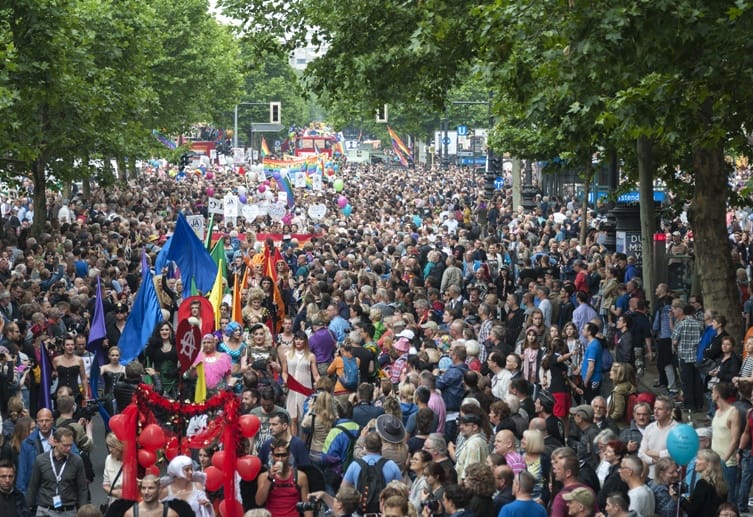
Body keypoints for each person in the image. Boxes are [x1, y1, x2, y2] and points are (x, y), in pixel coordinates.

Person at [26, 428, 87, 515]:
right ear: (55, 442)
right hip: (45, 510)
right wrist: (28, 508)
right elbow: (33, 486)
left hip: (68, 511)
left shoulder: (77, 461)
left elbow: (82, 488)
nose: (69, 448)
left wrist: (83, 512)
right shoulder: (41, 460)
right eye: (65, 445)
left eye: (70, 445)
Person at [255, 439, 313, 517]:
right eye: (277, 455)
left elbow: (306, 506)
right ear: (272, 456)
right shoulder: (264, 476)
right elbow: (259, 502)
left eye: (283, 455)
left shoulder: (300, 476)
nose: (280, 459)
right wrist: (269, 478)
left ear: (289, 455)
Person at [282, 331, 319, 438]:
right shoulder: (287, 355)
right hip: (292, 389)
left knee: (304, 418)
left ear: (305, 341)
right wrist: (285, 380)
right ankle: (294, 443)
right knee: (292, 418)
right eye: (296, 339)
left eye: (301, 339)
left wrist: (320, 384)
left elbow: (315, 374)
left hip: (305, 389)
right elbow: (284, 372)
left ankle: (303, 444)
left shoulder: (311, 356)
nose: (298, 341)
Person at [710, 381, 740, 503]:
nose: (711, 394)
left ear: (717, 394)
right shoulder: (716, 412)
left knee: (729, 499)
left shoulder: (733, 412)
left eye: (712, 392)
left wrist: (724, 460)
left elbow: (735, 439)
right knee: (715, 499)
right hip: (714, 462)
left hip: (727, 463)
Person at [675, 449, 727, 517]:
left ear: (709, 464)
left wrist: (678, 498)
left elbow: (692, 510)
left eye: (699, 459)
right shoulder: (722, 484)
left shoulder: (703, 484)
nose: (695, 461)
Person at [638, 395, 677, 479]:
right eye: (655, 408)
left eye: (659, 409)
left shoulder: (677, 430)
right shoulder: (649, 428)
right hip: (649, 476)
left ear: (668, 411)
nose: (655, 411)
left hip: (668, 478)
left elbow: (674, 453)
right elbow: (641, 453)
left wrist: (656, 454)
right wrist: (653, 460)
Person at [16, 408, 54, 492]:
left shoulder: (61, 437)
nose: (44, 424)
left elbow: (74, 458)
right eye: (41, 421)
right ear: (37, 422)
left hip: (58, 491)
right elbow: (22, 472)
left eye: (47, 420)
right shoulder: (27, 443)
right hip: (36, 493)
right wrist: (25, 498)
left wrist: (58, 447)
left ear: (52, 421)